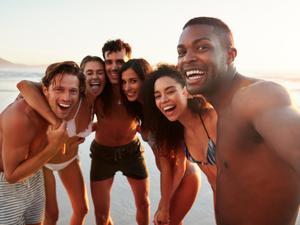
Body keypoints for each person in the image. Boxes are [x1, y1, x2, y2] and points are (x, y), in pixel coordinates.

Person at [177, 16, 300, 225]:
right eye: (182, 52)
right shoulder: (221, 108)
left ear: (230, 55)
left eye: (202, 48)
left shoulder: (256, 97)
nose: (187, 58)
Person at [16, 56, 106, 225]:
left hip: (70, 161)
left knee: (82, 210)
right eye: (89, 73)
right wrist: (56, 122)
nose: (95, 77)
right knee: (51, 215)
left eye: (100, 73)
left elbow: (85, 127)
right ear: (80, 77)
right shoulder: (67, 95)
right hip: (45, 163)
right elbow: (24, 86)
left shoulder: (95, 102)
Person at [0, 61, 84, 225]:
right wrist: (54, 146)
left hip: (34, 175)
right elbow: (11, 176)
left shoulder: (59, 106)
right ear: (45, 90)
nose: (66, 97)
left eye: (72, 91)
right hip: (5, 185)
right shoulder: (21, 116)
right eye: (59, 89)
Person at [119, 59, 201, 225]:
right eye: (124, 82)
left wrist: (165, 204)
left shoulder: (160, 114)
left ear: (146, 82)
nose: (127, 87)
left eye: (133, 81)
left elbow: (177, 164)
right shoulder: (145, 111)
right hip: (172, 179)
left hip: (184, 178)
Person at [142, 64, 218, 223]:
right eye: (157, 95)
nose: (163, 100)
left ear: (186, 92)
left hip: (252, 200)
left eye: (170, 91)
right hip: (222, 201)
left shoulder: (211, 118)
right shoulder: (180, 132)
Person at [90, 40, 150, 225]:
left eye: (120, 61)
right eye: (109, 62)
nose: (114, 67)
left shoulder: (136, 87)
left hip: (131, 152)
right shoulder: (97, 88)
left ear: (129, 62)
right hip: (102, 154)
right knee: (101, 216)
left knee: (144, 204)